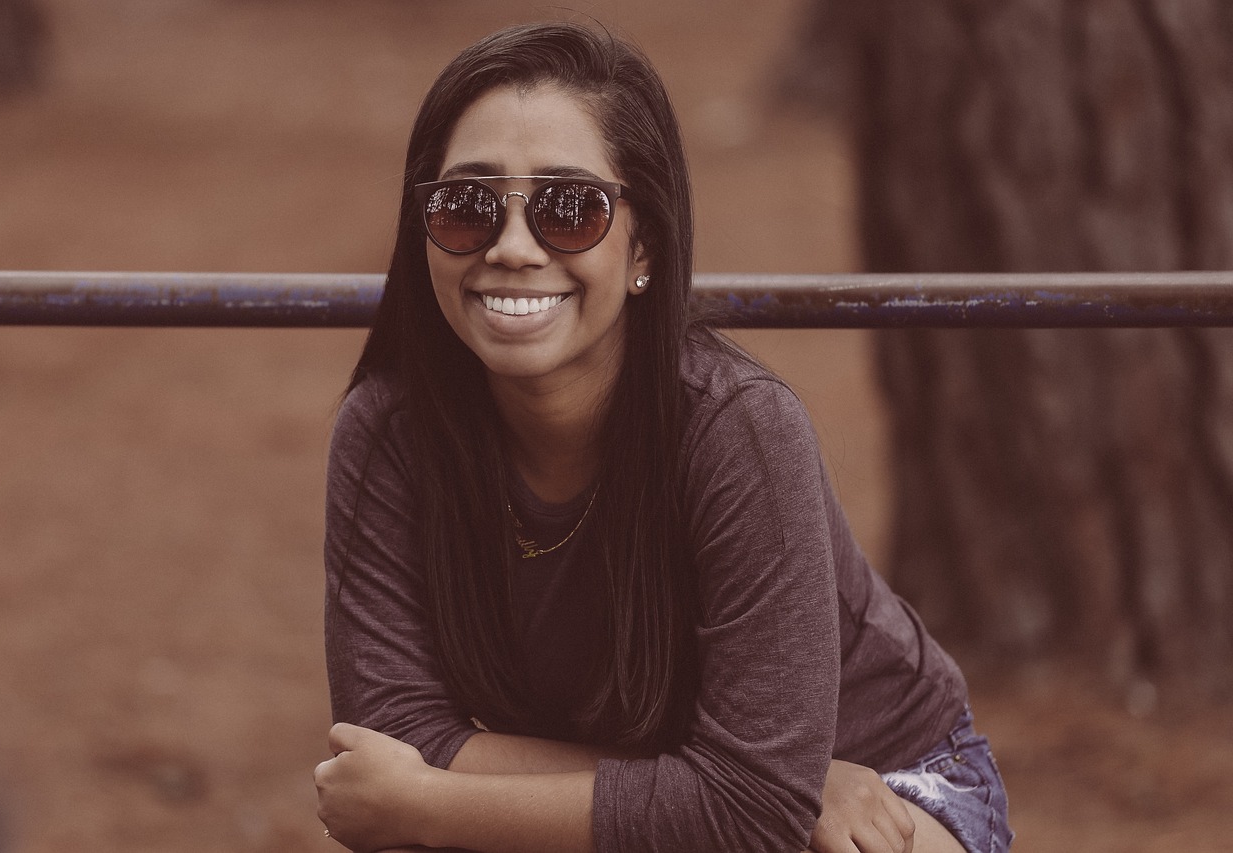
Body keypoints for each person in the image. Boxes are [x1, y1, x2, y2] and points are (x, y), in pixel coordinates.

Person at [314, 20, 1013, 853]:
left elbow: (751, 814)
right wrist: (751, 780)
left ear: (643, 243)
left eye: (569, 209)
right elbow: (396, 737)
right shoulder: (390, 430)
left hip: (879, 779)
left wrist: (430, 805)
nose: (511, 246)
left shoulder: (738, 429)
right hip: (776, 784)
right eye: (466, 206)